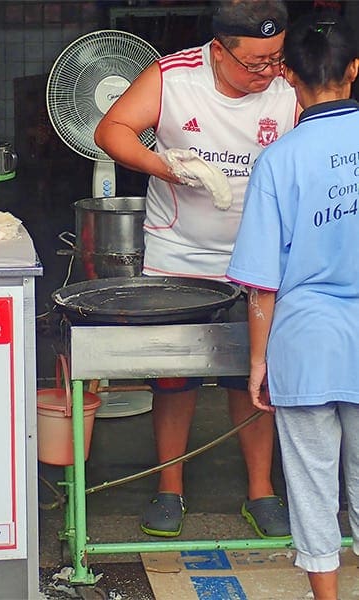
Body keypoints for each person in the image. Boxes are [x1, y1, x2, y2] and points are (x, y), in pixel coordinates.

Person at [94, 0, 299, 539]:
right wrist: (168, 167)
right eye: (253, 63)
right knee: (175, 375)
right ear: (218, 49)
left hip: (260, 260)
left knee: (252, 376)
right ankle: (169, 488)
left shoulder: (287, 83)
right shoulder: (173, 76)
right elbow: (110, 131)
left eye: (274, 59)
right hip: (179, 252)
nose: (267, 72)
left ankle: (261, 490)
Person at [226, 12, 359, 600]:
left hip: (304, 345)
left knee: (309, 483)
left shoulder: (279, 160)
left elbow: (263, 283)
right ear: (355, 70)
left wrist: (259, 363)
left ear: (290, 80)